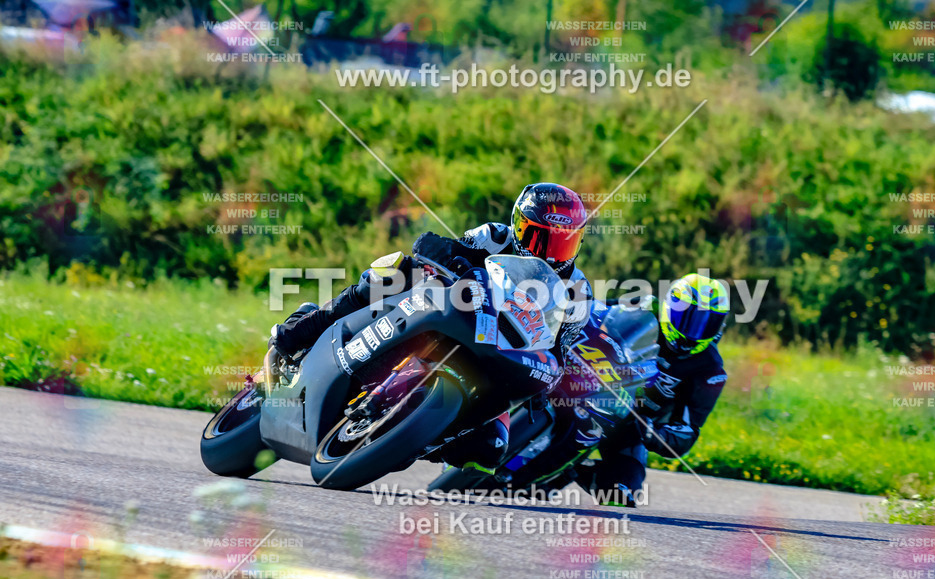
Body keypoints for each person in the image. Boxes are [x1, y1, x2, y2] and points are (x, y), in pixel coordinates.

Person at [270, 182, 593, 473]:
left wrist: (546, 382)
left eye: (562, 243)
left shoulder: (578, 292)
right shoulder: (495, 237)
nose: (548, 252)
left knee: (489, 450)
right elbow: (433, 245)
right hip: (453, 312)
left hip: (498, 356)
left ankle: (411, 436)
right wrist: (457, 264)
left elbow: (558, 353)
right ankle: (305, 327)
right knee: (392, 272)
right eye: (539, 237)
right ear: (519, 225)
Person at [575, 274, 730, 506]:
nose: (693, 331)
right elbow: (594, 314)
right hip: (587, 387)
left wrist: (652, 432)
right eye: (686, 317)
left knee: (620, 493)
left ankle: (567, 471)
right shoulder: (645, 307)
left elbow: (687, 432)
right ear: (669, 306)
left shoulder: (710, 370)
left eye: (706, 323)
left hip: (631, 423)